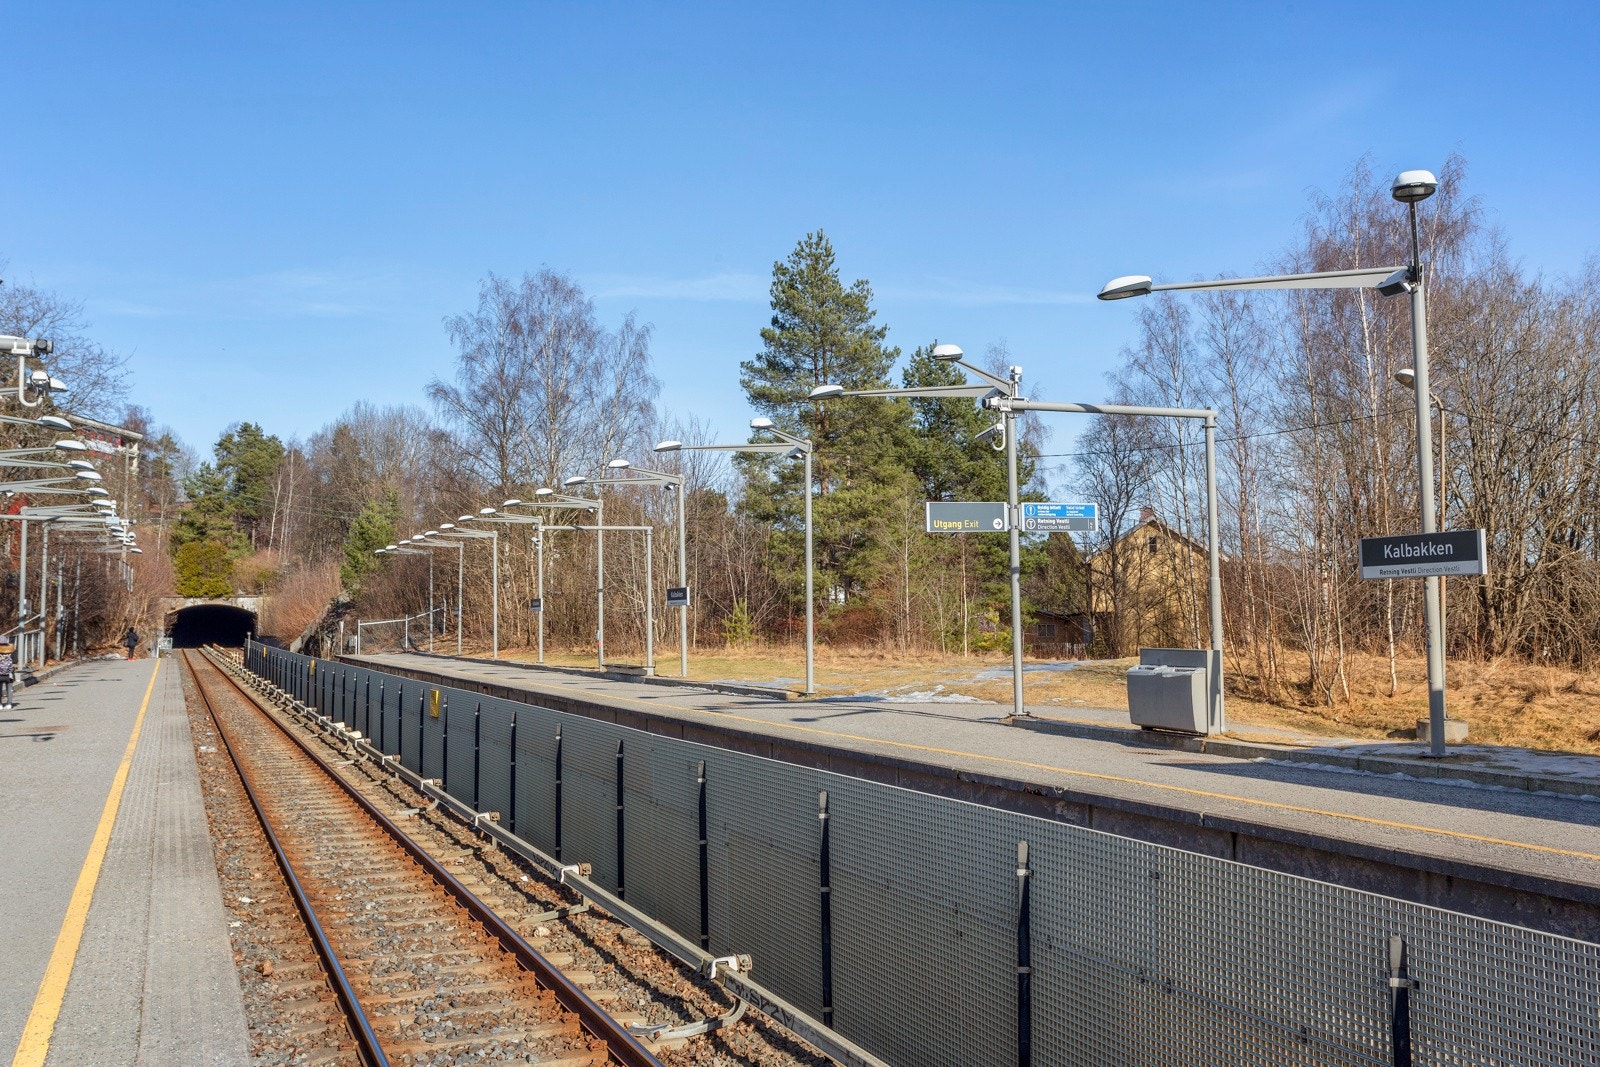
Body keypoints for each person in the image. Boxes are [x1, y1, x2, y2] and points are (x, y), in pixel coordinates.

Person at [0, 641, 14, 709]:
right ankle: (9, 704)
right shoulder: (10, 653)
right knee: (9, 689)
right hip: (9, 675)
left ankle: (0, 705)